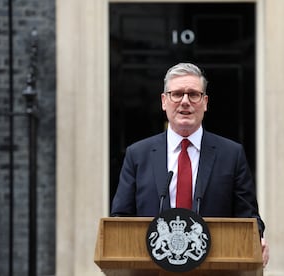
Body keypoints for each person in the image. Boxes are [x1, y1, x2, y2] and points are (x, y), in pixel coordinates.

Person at [111, 62, 269, 266]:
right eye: (176, 94)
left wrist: (258, 238)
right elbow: (120, 219)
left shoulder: (231, 154)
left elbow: (249, 219)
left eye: (193, 94)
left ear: (205, 102)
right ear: (164, 101)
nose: (185, 101)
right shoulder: (137, 154)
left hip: (215, 268)